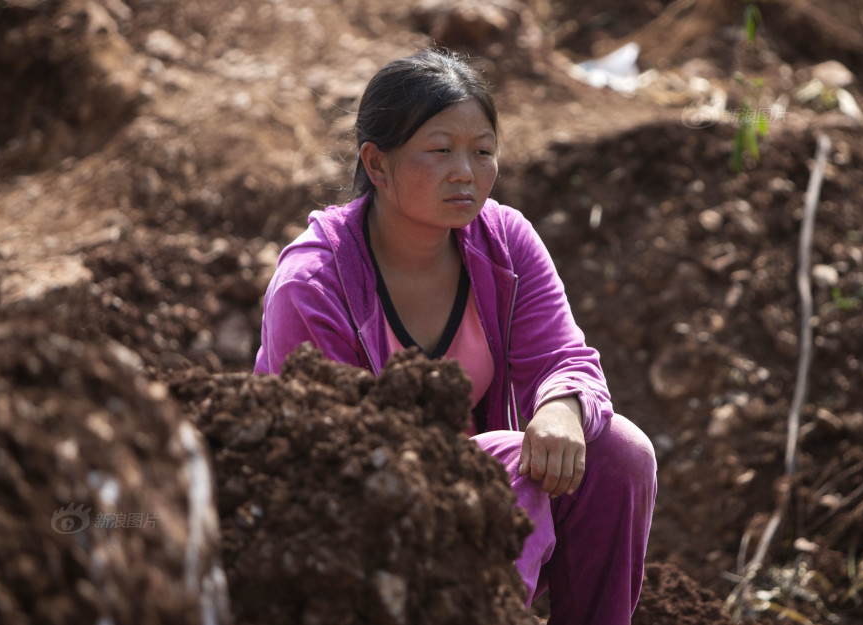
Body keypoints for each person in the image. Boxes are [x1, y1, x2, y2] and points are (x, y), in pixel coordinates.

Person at [254, 47, 657, 625]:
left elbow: (564, 357)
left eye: (483, 151)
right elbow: (329, 458)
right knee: (517, 461)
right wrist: (502, 457)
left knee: (619, 453)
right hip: (347, 533)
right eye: (440, 151)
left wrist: (563, 406)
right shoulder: (313, 286)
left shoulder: (505, 240)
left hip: (476, 509)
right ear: (377, 164)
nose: (466, 172)